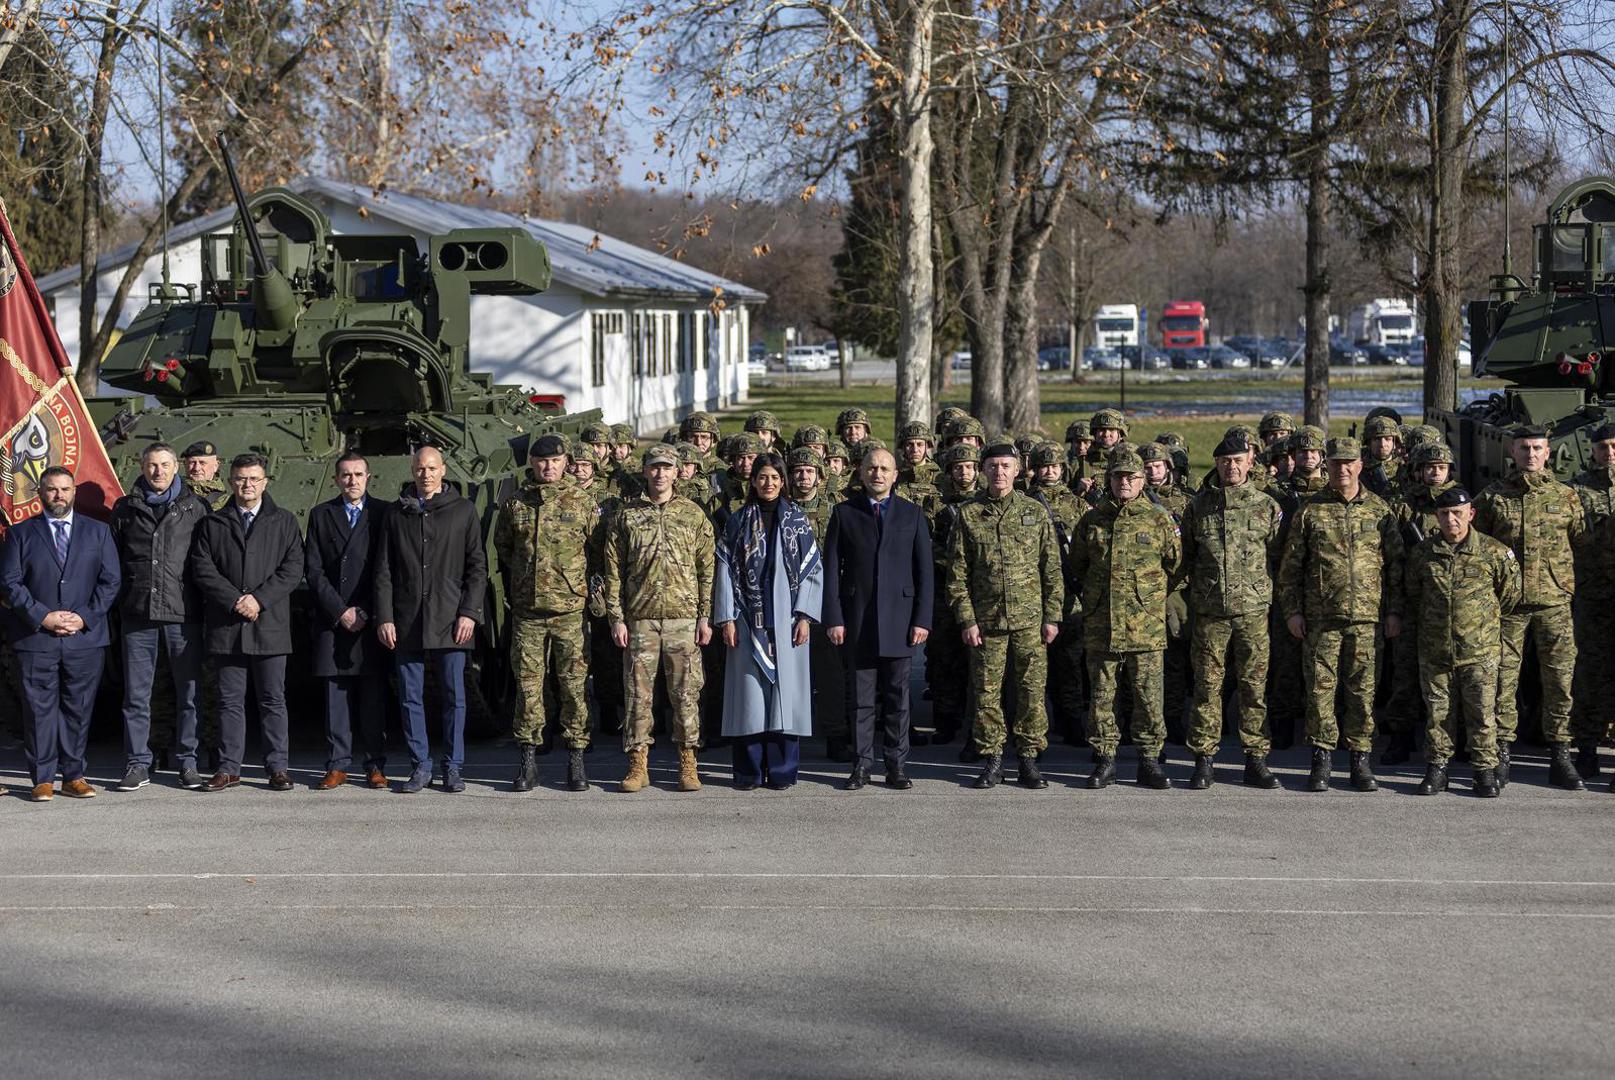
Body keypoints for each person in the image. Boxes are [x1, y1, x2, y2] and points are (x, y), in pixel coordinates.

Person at [1278, 437, 1404, 794]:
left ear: (1360, 465)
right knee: (1320, 693)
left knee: (1362, 692)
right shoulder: (1310, 511)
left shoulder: (1379, 511)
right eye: (1335, 463)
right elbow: (1291, 569)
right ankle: (1321, 760)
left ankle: (1360, 759)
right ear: (1325, 467)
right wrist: (1293, 612)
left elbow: (1395, 568)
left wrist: (1394, 611)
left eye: (1348, 462)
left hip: (1367, 618)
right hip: (1321, 619)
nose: (1342, 469)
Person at [1474, 424, 1588, 790]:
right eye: (1524, 448)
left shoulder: (1567, 496)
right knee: (1503, 682)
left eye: (1538, 448)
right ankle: (1502, 753)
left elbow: (1581, 542)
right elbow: (1479, 545)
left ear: (1548, 452)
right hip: (1509, 606)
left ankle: (1560, 755)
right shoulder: (1493, 497)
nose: (1531, 454)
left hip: (1554, 603)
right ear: (1512, 451)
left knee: (1559, 681)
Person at [945, 442, 1063, 789]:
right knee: (986, 694)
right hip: (987, 623)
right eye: (993, 465)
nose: (999, 472)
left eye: (1006, 466)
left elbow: (1051, 570)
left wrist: (1052, 617)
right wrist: (967, 619)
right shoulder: (969, 514)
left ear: (1018, 470)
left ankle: (1028, 759)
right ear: (983, 470)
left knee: (1031, 692)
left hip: (1030, 622)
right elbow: (957, 575)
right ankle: (993, 759)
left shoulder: (1035, 512)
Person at [1, 466, 121, 801]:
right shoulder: (20, 533)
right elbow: (10, 583)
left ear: (74, 492)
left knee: (78, 708)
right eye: (52, 489)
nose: (59, 495)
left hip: (85, 638)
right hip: (36, 637)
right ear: (40, 493)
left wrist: (83, 617)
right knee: (39, 709)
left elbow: (111, 581)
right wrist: (43, 616)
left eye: (65, 489)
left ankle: (73, 775)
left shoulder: (98, 532)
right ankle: (42, 778)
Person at [188, 453, 305, 792]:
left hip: (268, 622)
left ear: (265, 482)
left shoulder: (283, 522)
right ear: (231, 482)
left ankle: (278, 767)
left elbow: (292, 568)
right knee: (229, 700)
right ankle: (229, 768)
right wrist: (234, 600)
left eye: (254, 479)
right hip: (228, 623)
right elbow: (203, 567)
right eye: (240, 478)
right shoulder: (213, 523)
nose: (247, 485)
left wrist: (259, 599)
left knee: (272, 699)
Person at [376, 445, 487, 793]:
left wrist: (469, 612)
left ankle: (453, 766)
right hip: (407, 619)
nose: (426, 474)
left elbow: (477, 567)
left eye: (432, 468)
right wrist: (385, 616)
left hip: (451, 618)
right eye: (420, 468)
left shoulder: (463, 511)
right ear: (412, 470)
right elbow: (383, 571)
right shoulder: (397, 514)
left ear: (443, 470)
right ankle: (420, 766)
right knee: (410, 697)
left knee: (455, 696)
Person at [604, 443, 715, 792]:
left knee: (686, 694)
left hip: (683, 619)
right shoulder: (627, 516)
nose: (660, 473)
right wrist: (616, 617)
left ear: (677, 471)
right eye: (654, 467)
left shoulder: (693, 514)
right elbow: (613, 571)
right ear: (645, 471)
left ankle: (687, 761)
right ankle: (638, 764)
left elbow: (706, 568)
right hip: (641, 618)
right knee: (638, 695)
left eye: (667, 467)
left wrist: (704, 616)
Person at [1067, 449, 1181, 789]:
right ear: (1109, 480)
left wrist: (1147, 596)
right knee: (1102, 697)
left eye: (1131, 476)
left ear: (1143, 480)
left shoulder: (1159, 519)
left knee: (1148, 697)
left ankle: (1149, 760)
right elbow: (1079, 566)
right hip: (1103, 623)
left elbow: (1174, 565)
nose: (1125, 482)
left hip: (1144, 625)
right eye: (1118, 476)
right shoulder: (1092, 520)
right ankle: (1105, 760)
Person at [1176, 436, 1284, 790]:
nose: (1231, 467)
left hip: (1253, 612)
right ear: (1217, 464)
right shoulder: (1198, 507)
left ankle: (1255, 758)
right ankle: (1204, 759)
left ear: (1250, 461)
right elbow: (1186, 558)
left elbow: (1279, 557)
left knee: (1254, 688)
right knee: (1208, 689)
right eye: (1224, 461)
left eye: (1238, 460)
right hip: (1211, 612)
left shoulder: (1267, 506)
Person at [822, 447, 933, 790]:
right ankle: (861, 765)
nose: (878, 474)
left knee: (898, 701)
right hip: (858, 620)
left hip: (901, 622)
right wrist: (834, 618)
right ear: (861, 472)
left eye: (885, 468)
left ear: (895, 475)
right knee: (861, 700)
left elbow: (925, 573)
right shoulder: (844, 513)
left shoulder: (912, 514)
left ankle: (896, 766)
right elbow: (831, 572)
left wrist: (922, 620)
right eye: (872, 468)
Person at [493, 434, 598, 793]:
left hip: (570, 611)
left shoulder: (583, 502)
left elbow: (596, 550)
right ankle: (528, 759)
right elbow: (504, 548)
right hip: (528, 613)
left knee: (573, 687)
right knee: (528, 688)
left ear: (566, 462)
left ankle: (576, 759)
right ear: (532, 464)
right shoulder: (516, 504)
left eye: (554, 461)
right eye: (541, 461)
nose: (548, 467)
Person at [713, 451, 823, 789]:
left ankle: (781, 771)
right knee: (749, 698)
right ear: (753, 480)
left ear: (783, 482)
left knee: (785, 697)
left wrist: (805, 615)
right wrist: (727, 618)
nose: (768, 483)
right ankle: (747, 772)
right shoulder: (737, 521)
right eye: (762, 477)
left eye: (775, 478)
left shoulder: (797, 521)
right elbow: (724, 571)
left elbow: (812, 571)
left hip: (788, 623)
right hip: (747, 620)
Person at [109, 442, 213, 791]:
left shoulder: (196, 508)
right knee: (137, 696)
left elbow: (205, 561)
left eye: (165, 465)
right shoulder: (125, 509)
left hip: (183, 614)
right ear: (142, 466)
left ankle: (187, 761)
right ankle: (138, 762)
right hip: (138, 613)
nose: (158, 472)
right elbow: (114, 562)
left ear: (176, 468)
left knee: (189, 694)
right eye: (152, 465)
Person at [1404, 487, 1520, 797]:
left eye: (1457, 513)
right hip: (1435, 649)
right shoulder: (1423, 553)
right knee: (1437, 714)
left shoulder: (1494, 552)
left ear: (1471, 514)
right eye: (1444, 514)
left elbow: (1509, 598)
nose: (1451, 519)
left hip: (1479, 650)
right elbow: (1413, 595)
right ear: (1436, 517)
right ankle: (1438, 769)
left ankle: (1483, 771)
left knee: (1482, 714)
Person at [304, 451, 391, 790]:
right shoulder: (321, 514)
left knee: (373, 697)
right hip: (333, 618)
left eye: (358, 474)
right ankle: (338, 763)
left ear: (368, 477)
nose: (352, 481)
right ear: (336, 479)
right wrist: (340, 611)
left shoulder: (383, 513)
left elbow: (386, 568)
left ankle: (374, 763)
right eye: (345, 475)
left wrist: (366, 610)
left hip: (370, 617)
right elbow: (313, 569)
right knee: (336, 697)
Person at [1568, 422, 1615, 779]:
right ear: (1593, 450)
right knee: (1590, 673)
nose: (1610, 453)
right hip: (1592, 594)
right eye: (1603, 447)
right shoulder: (1578, 491)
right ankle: (1585, 747)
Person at [182, 440, 231, 509]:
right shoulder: (174, 494)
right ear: (185, 465)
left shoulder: (228, 503)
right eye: (192, 462)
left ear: (215, 466)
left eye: (202, 463)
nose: (197, 468)